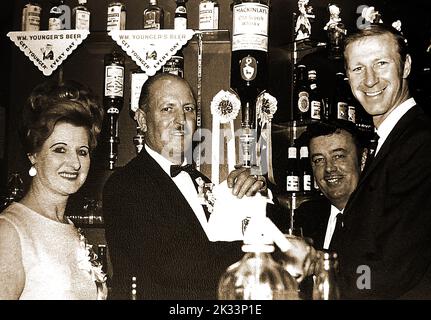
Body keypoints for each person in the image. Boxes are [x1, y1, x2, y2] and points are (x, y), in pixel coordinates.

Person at [293, 24, 431, 299]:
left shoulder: (420, 143)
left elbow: (392, 269)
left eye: (381, 63)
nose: (369, 80)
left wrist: (319, 264)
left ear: (406, 66)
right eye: (358, 68)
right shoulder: (394, 140)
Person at [103, 73, 268, 299]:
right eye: (167, 109)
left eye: (188, 109)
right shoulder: (125, 185)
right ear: (142, 120)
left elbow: (239, 230)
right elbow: (181, 266)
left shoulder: (202, 182)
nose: (181, 120)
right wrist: (261, 253)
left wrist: (259, 193)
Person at [0, 80, 105, 299]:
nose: (74, 163)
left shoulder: (70, 228)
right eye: (60, 150)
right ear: (34, 155)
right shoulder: (10, 231)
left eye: (82, 152)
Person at [293, 120, 363, 250]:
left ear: (362, 160)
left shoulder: (383, 216)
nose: (329, 168)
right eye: (319, 160)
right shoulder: (307, 215)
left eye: (338, 156)